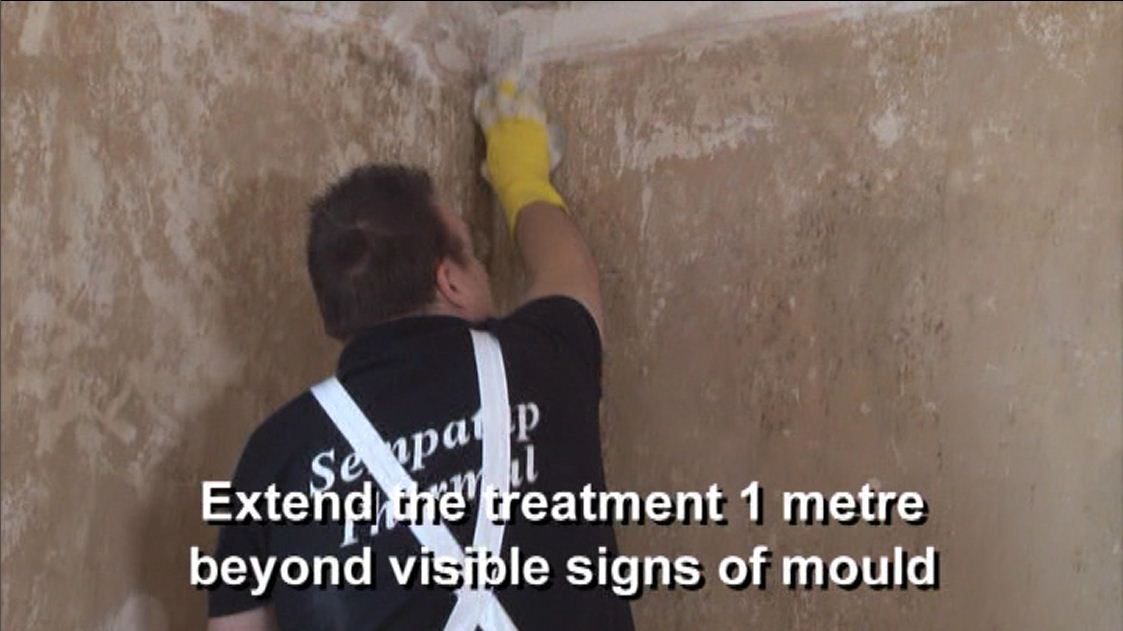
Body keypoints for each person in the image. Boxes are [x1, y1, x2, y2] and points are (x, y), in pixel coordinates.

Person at [206, 78, 635, 630]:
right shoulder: (541, 360)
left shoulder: (274, 456)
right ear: (450, 280)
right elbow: (568, 268)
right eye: (472, 253)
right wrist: (520, 175)